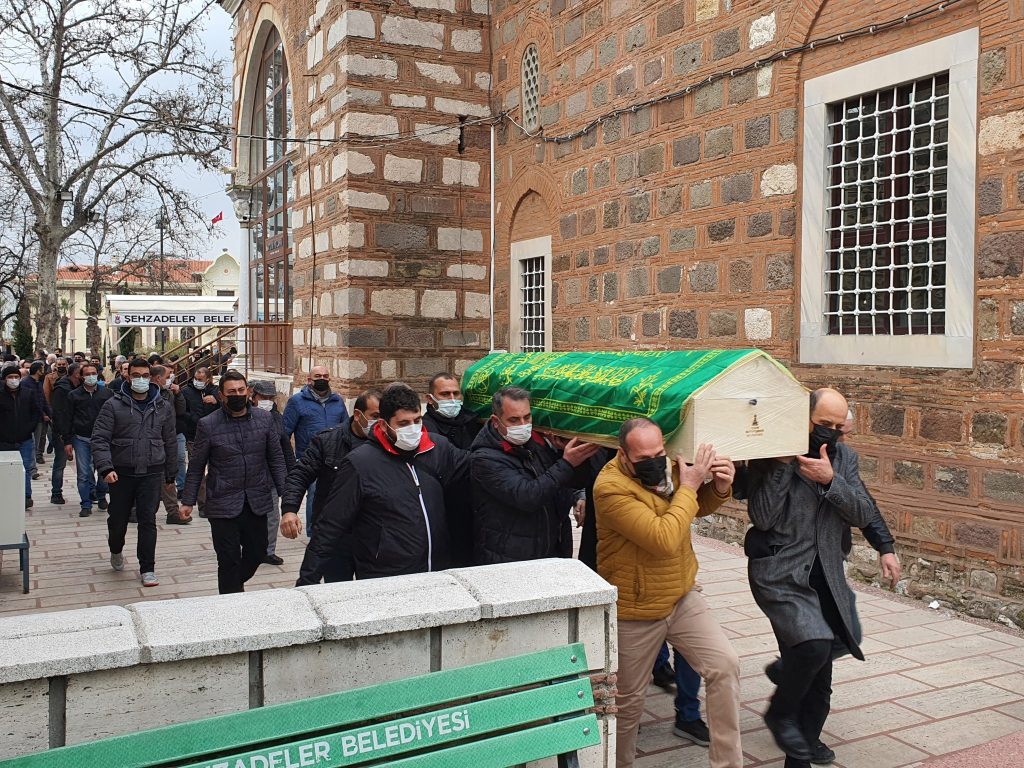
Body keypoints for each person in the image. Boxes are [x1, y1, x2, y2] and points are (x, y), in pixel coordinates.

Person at [593, 418, 741, 768]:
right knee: (627, 704)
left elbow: (689, 509)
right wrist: (690, 486)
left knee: (725, 666)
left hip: (681, 594)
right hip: (637, 608)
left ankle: (728, 763)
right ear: (623, 455)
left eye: (660, 452)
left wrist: (718, 487)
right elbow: (663, 537)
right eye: (645, 457)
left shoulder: (669, 469)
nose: (656, 462)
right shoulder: (609, 487)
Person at [744, 388, 875, 767]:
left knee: (821, 675)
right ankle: (780, 713)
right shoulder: (770, 454)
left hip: (827, 579)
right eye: (822, 425)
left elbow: (863, 513)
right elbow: (764, 518)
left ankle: (799, 747)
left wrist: (832, 480)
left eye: (837, 427)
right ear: (804, 419)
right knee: (814, 650)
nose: (830, 433)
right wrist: (784, 463)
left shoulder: (844, 458)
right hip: (783, 576)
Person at [290, 383, 468, 583]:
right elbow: (330, 524)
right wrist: (307, 580)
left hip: (437, 571)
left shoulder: (438, 447)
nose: (412, 429)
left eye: (417, 420)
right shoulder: (360, 463)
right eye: (403, 423)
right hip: (385, 575)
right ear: (384, 425)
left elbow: (476, 470)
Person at [180, 371, 287, 594]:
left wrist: (288, 498)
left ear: (248, 392)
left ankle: (231, 588)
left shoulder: (264, 419)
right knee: (228, 559)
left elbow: (276, 458)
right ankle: (230, 601)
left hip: (256, 500)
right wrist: (188, 500)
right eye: (231, 392)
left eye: (241, 390)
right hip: (222, 502)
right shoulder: (207, 424)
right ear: (221, 395)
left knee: (258, 553)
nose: (237, 395)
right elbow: (197, 465)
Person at [469, 386, 599, 564]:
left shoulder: (534, 445)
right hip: (511, 558)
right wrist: (567, 462)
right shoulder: (484, 459)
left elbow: (573, 482)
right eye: (514, 420)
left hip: (552, 550)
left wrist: (564, 452)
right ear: (496, 421)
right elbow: (528, 496)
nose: (523, 425)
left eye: (527, 417)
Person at [91, 358, 177, 588]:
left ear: (151, 377)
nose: (141, 379)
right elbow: (100, 438)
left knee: (147, 520)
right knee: (118, 519)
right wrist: (106, 467)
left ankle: (147, 567)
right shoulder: (113, 405)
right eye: (136, 375)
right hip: (121, 472)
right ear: (128, 377)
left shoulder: (163, 406)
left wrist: (171, 474)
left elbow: (169, 440)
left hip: (151, 471)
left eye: (145, 375)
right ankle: (116, 549)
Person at [281, 388, 381, 582]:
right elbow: (299, 474)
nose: (380, 422)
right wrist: (290, 509)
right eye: (375, 416)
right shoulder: (327, 441)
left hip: (372, 535)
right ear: (358, 415)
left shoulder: (386, 445)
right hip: (336, 534)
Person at [421, 373, 481, 566]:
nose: (452, 399)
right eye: (445, 394)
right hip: (443, 514)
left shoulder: (473, 422)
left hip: (474, 510)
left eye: (456, 393)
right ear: (430, 399)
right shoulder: (425, 430)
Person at [282, 365, 348, 528]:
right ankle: (314, 531)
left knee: (337, 495)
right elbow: (285, 432)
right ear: (309, 380)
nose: (322, 379)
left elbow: (346, 428)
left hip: (336, 459)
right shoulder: (296, 402)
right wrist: (291, 461)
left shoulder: (338, 401)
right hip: (310, 458)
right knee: (315, 495)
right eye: (318, 376)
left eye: (326, 376)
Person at [250, 380, 296, 566]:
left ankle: (268, 551)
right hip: (250, 476)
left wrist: (292, 472)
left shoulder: (277, 418)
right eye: (263, 398)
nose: (267, 401)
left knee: (272, 516)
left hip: (272, 475)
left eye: (270, 398)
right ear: (254, 398)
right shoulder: (245, 416)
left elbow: (286, 447)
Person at [63, 363, 114, 517]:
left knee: (104, 470)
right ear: (81, 376)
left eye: (94, 373)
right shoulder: (74, 395)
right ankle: (85, 503)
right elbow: (68, 419)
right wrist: (67, 441)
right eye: (88, 373)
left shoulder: (107, 393)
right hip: (81, 438)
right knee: (84, 473)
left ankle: (101, 494)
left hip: (104, 438)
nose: (91, 376)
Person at [0, 363, 46, 509]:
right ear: (4, 379)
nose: (13, 380)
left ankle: (26, 496)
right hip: (4, 440)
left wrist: (29, 428)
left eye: (16, 377)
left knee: (24, 469)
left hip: (25, 438)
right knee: (6, 469)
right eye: (10, 377)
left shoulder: (27, 393)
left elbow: (35, 411)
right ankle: (7, 495)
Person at [151, 365, 189, 525]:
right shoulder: (146, 395)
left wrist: (178, 394)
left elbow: (179, 411)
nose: (170, 378)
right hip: (150, 442)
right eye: (168, 376)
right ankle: (138, 510)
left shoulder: (168, 394)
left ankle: (172, 512)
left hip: (168, 438)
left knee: (168, 477)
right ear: (158, 378)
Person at [181, 366, 220, 514]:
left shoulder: (216, 392)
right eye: (196, 379)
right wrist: (197, 420)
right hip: (194, 435)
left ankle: (213, 500)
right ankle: (203, 505)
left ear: (208, 380)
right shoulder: (186, 392)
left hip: (216, 436)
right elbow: (182, 411)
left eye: (201, 380)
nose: (197, 382)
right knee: (196, 469)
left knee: (215, 469)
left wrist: (216, 401)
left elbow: (226, 407)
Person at [49, 362, 81, 504]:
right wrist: (64, 434)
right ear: (76, 374)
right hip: (62, 431)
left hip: (79, 430)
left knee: (85, 464)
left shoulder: (80, 388)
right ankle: (56, 493)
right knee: (60, 462)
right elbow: (59, 412)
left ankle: (90, 492)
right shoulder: (61, 388)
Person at [26, 361, 51, 467]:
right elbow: (34, 402)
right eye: (42, 368)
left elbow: (43, 400)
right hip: (34, 418)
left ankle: (37, 459)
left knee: (41, 438)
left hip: (41, 417)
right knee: (34, 442)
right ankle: (32, 467)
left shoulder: (39, 383)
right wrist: (42, 414)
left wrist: (49, 413)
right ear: (37, 370)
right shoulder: (26, 383)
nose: (44, 370)